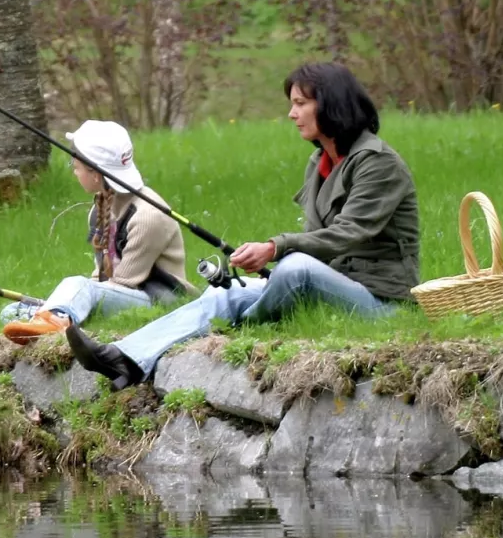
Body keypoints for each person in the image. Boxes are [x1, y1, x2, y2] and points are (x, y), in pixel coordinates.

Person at [65, 63, 420, 390]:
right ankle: (123, 358)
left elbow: (349, 232)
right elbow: (318, 240)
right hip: (335, 288)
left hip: (379, 302)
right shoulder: (320, 160)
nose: (291, 113)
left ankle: (243, 325)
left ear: (331, 105)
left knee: (294, 268)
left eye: (300, 103)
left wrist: (274, 248)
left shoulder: (378, 163)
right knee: (223, 292)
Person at [1, 120, 192, 344]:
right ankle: (58, 316)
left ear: (95, 174)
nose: (73, 170)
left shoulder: (148, 216)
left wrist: (83, 296)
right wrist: (75, 300)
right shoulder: (99, 209)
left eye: (76, 165)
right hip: (119, 292)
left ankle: (58, 320)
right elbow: (101, 275)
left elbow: (123, 282)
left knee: (79, 285)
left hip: (157, 300)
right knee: (11, 311)